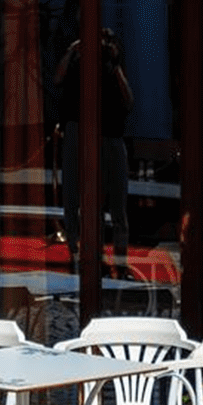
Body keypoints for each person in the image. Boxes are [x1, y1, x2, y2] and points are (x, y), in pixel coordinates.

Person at [54, 27, 134, 276]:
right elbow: (58, 79)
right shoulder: (77, 61)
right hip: (79, 130)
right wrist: (73, 50)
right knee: (76, 198)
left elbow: (128, 101)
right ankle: (80, 255)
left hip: (110, 133)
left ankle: (119, 261)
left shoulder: (112, 64)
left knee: (116, 203)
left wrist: (115, 62)